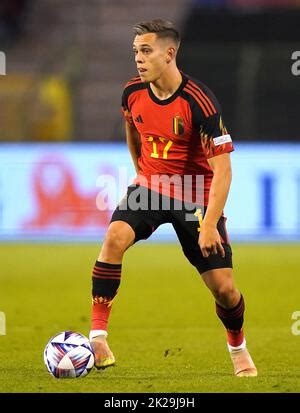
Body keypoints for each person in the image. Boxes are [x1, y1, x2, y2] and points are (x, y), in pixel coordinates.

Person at [89, 19, 257, 377]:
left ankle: (238, 345)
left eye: (146, 51)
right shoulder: (131, 92)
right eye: (135, 51)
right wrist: (141, 174)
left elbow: (223, 170)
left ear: (170, 53)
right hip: (150, 187)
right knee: (113, 238)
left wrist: (210, 223)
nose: (138, 58)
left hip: (195, 194)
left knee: (225, 290)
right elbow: (132, 128)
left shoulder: (199, 101)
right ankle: (98, 336)